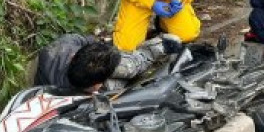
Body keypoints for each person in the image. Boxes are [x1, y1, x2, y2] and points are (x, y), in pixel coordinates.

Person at [32, 33, 181, 94]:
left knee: (130, 66)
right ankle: (150, 53)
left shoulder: (64, 45)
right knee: (129, 72)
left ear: (74, 56)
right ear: (98, 85)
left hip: (85, 77)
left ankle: (153, 50)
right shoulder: (68, 96)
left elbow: (87, 40)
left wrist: (100, 50)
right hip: (86, 90)